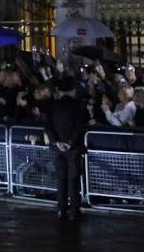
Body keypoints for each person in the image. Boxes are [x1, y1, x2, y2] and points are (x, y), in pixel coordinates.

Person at [44, 76, 87, 220]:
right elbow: (79, 127)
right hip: (72, 148)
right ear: (73, 90)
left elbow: (48, 126)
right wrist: (70, 142)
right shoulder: (78, 105)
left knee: (61, 178)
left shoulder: (53, 106)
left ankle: (61, 209)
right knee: (73, 179)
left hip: (58, 147)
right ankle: (74, 209)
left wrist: (56, 142)